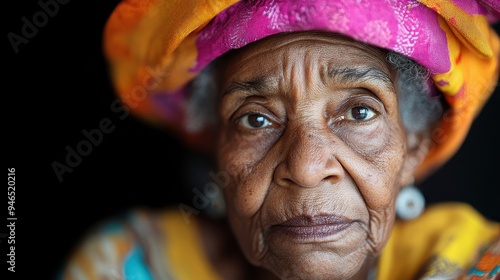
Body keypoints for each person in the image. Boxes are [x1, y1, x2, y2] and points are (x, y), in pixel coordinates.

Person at [59, 1, 500, 279]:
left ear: (414, 146)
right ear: (214, 147)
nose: (307, 169)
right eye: (256, 120)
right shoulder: (123, 265)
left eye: (360, 112)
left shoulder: (474, 263)